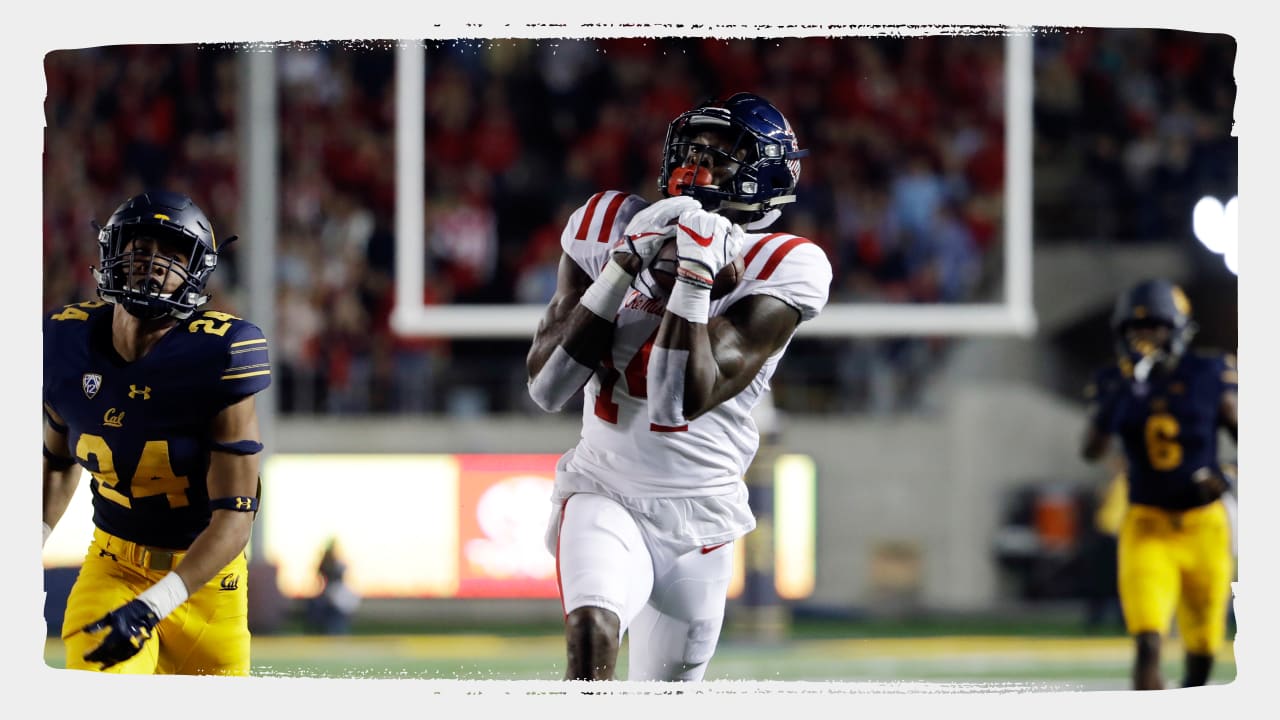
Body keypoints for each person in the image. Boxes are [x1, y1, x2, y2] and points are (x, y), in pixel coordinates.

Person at [526, 92, 831, 681]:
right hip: (604, 485)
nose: (699, 165)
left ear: (766, 173)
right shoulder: (605, 224)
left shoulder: (787, 264)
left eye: (723, 155)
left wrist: (691, 277)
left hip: (699, 510)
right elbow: (546, 386)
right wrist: (620, 267)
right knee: (590, 634)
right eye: (694, 149)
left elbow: (677, 401)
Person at [42, 190, 271, 675]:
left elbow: (235, 517)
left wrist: (154, 605)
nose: (153, 263)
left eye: (172, 253)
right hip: (113, 567)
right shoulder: (65, 339)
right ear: (113, 253)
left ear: (198, 270)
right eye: (141, 248)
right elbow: (57, 461)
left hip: (207, 583)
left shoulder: (222, 352)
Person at [1079, 278, 1237, 690]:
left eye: (1154, 328)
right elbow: (1091, 450)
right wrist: (1118, 396)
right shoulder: (1118, 380)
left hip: (1204, 528)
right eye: (1135, 329)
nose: (1143, 338)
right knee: (1148, 642)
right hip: (1147, 525)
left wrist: (1226, 476)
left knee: (1202, 652)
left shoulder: (1210, 373)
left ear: (1178, 329)